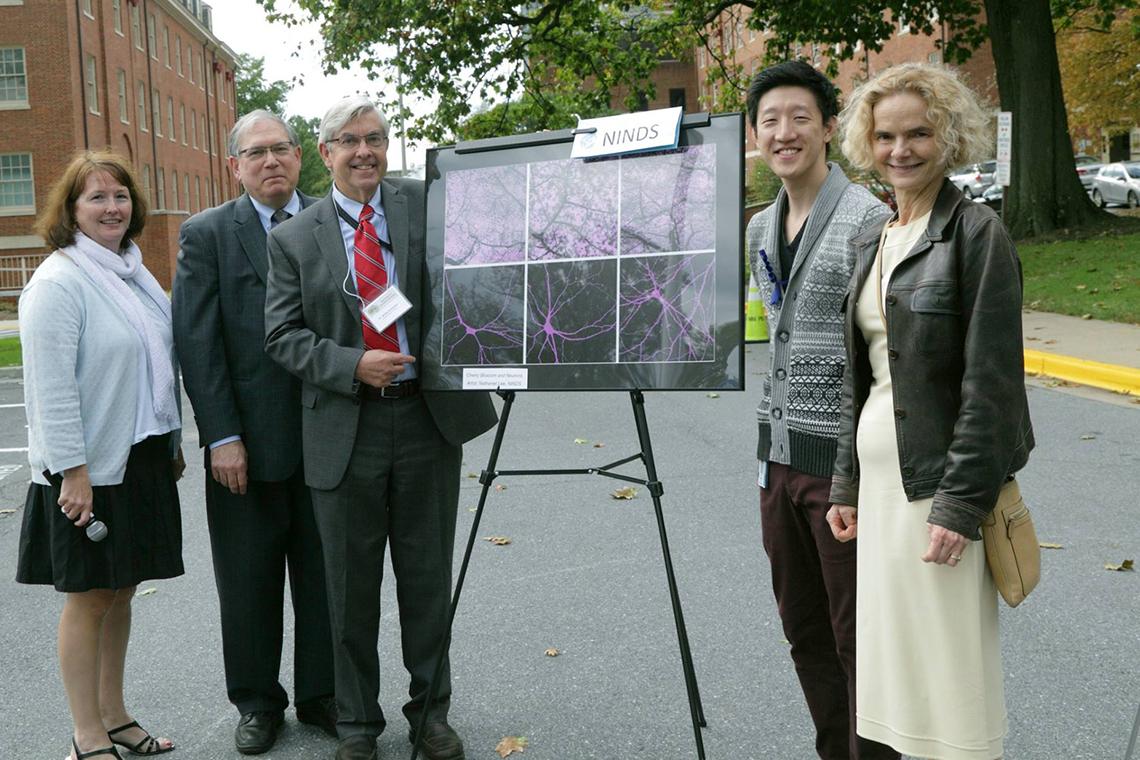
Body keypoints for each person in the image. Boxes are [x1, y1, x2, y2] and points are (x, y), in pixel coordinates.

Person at [263, 95, 498, 760]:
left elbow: (476, 279)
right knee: (348, 588)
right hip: (346, 429)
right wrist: (351, 364)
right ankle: (358, 723)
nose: (363, 150)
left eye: (374, 138)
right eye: (348, 140)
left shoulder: (427, 205)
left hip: (427, 420)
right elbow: (280, 335)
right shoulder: (292, 239)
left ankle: (431, 716)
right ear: (326, 152)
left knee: (427, 580)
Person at [827, 63, 1035, 760]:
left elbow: (993, 387)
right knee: (894, 683)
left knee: (951, 682)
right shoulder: (875, 236)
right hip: (881, 490)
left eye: (919, 133)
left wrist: (958, 504)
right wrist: (845, 486)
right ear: (867, 141)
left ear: (948, 137)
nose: (900, 150)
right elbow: (860, 381)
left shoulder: (977, 235)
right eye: (885, 135)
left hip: (935, 489)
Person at [171, 110, 337, 754]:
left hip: (330, 439)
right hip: (245, 445)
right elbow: (198, 344)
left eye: (282, 150)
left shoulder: (335, 221)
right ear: (233, 165)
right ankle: (257, 702)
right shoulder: (207, 234)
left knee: (327, 580)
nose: (271, 161)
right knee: (248, 583)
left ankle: (322, 694)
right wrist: (221, 437)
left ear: (301, 157)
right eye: (255, 153)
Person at [744, 61, 895, 760]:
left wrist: (854, 480)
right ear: (755, 134)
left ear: (830, 128)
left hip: (844, 471)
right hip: (779, 466)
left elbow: (877, 360)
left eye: (800, 117)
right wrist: (768, 465)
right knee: (803, 632)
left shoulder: (868, 220)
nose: (785, 132)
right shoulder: (759, 229)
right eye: (770, 120)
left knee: (858, 637)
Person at [16, 151, 185, 760]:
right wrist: (74, 472)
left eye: (120, 196)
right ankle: (86, 735)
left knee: (121, 590)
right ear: (71, 211)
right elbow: (50, 389)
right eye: (97, 198)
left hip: (135, 458)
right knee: (88, 597)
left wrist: (169, 441)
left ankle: (115, 717)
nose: (112, 207)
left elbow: (153, 369)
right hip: (86, 469)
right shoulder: (59, 283)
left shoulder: (134, 273)